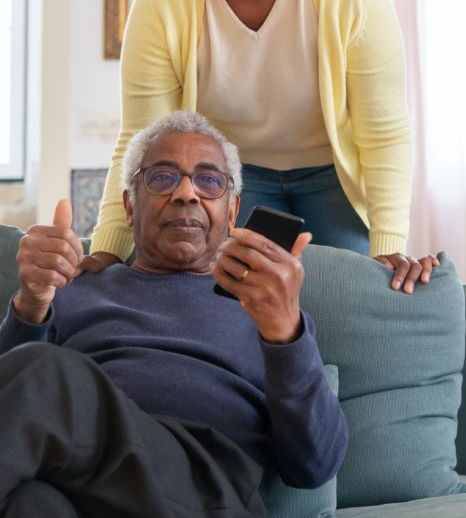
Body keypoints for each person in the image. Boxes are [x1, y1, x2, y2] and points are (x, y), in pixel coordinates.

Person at [89, 0, 437, 291]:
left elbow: (385, 132)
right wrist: (107, 247)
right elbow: (143, 138)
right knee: (228, 298)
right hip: (231, 174)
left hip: (332, 175)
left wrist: (387, 241)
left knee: (346, 297)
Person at [0, 111, 347, 517]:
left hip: (207, 491)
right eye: (163, 178)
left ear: (232, 212)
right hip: (82, 488)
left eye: (209, 180)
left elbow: (315, 465)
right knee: (31, 504)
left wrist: (285, 331)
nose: (187, 194)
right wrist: (32, 302)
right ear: (129, 206)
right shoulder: (73, 286)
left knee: (47, 371)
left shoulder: (268, 306)